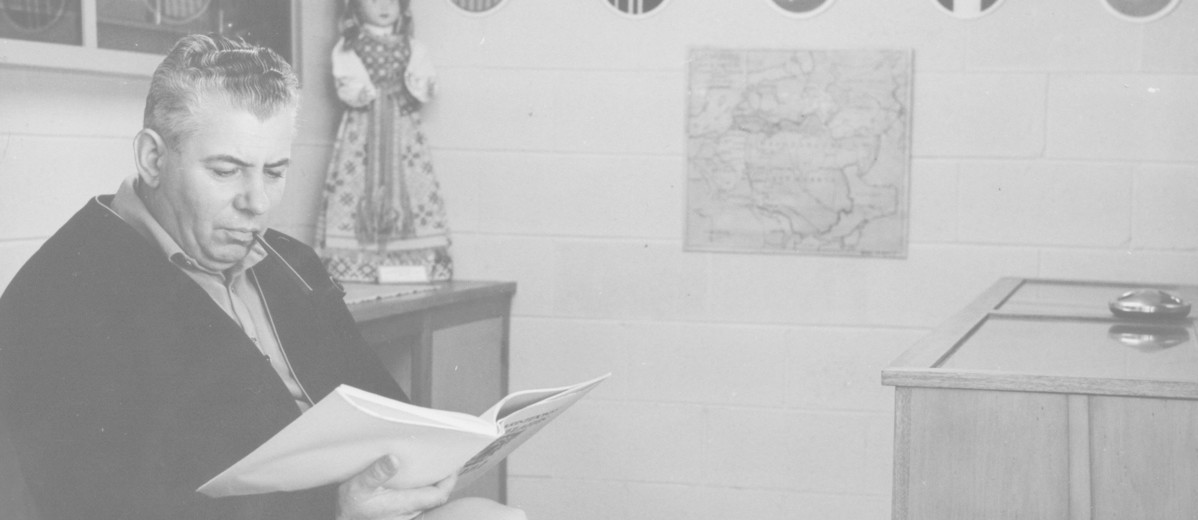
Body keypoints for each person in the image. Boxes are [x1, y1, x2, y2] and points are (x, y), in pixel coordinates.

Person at [0, 34, 523, 520]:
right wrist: (332, 510)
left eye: (273, 172)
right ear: (153, 157)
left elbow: (383, 405)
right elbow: (99, 508)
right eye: (226, 171)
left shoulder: (287, 261)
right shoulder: (60, 297)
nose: (256, 204)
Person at [316, 0, 453, 284]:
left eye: (391, 1)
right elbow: (350, 85)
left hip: (403, 129)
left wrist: (417, 84)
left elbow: (425, 83)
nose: (383, 7)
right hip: (364, 127)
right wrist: (368, 93)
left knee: (411, 181)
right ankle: (354, 261)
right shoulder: (349, 46)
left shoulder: (413, 47)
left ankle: (415, 258)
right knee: (356, 179)